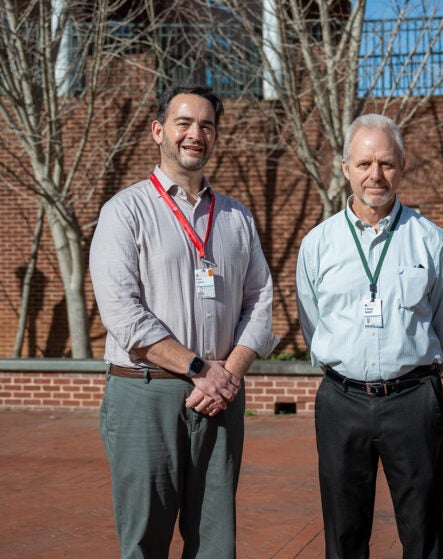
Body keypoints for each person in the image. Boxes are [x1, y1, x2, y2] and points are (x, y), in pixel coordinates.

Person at [90, 82, 279, 559]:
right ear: (159, 131)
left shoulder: (236, 217)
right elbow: (123, 314)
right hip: (146, 393)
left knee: (216, 542)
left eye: (207, 126)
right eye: (184, 123)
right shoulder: (125, 212)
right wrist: (201, 369)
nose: (196, 133)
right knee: (145, 541)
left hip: (220, 399)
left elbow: (260, 300)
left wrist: (227, 373)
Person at [296, 113, 443, 559]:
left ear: (403, 167)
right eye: (364, 163)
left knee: (422, 532)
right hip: (341, 401)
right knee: (344, 534)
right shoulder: (318, 244)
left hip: (413, 400)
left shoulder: (431, 241)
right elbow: (312, 320)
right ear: (345, 168)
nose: (375, 175)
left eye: (386, 163)